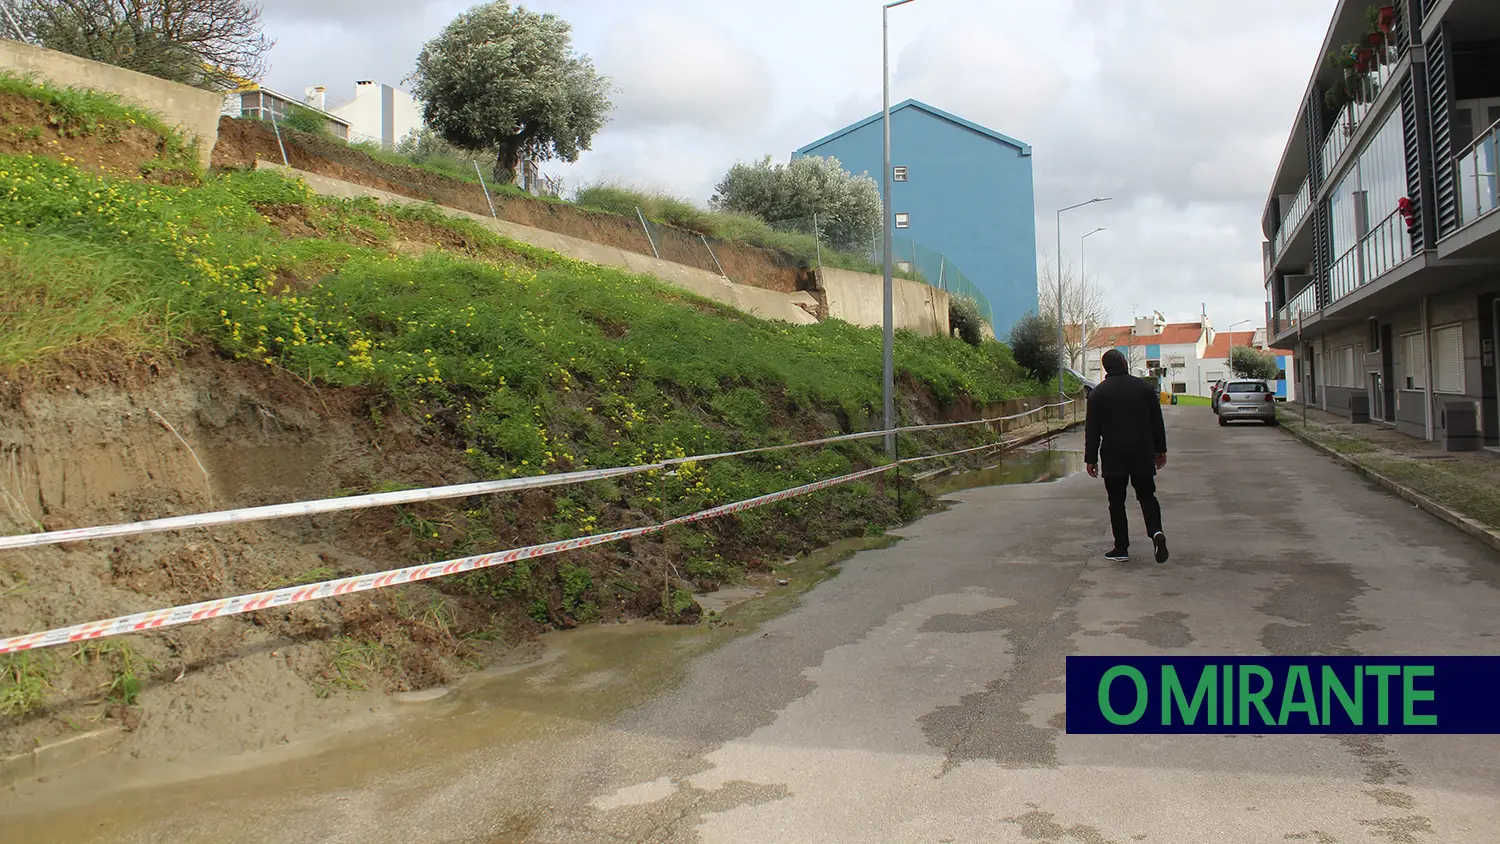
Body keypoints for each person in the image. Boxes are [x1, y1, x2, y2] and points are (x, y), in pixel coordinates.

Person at [1084, 349, 1169, 563]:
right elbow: (1156, 422)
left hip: (1113, 453)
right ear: (1123, 362)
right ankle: (1156, 532)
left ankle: (1121, 547)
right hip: (1142, 451)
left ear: (1105, 368)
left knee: (1116, 502)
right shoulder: (1144, 388)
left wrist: (1091, 459)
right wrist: (1161, 450)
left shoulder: (1098, 394)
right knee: (1147, 496)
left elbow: (1092, 429)